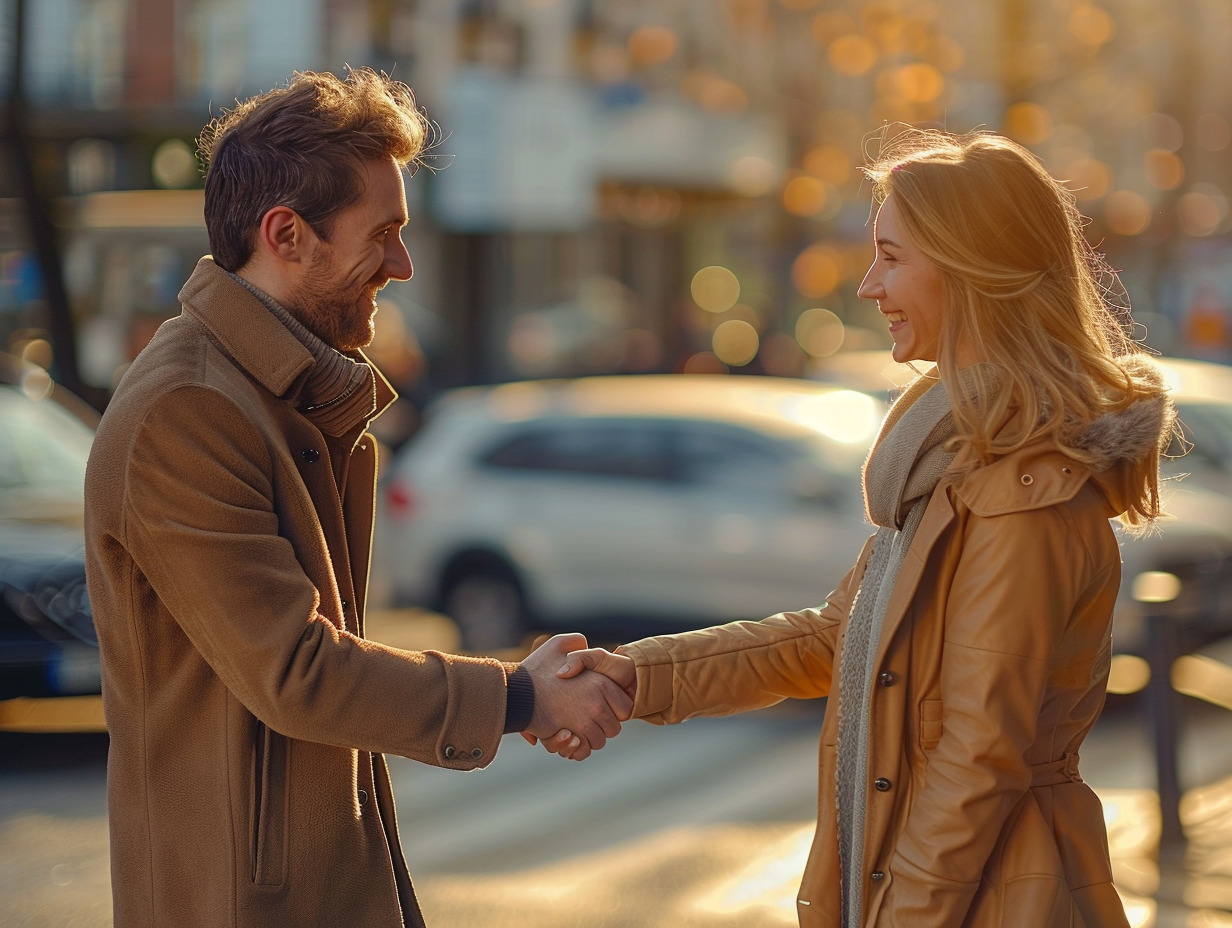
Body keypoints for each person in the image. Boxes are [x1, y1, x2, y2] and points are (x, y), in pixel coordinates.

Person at [550, 128, 1175, 927]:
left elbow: (981, 757)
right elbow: (835, 639)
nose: (868, 286)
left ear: (970, 269)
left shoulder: (1026, 486)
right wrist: (640, 677)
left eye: (891, 256)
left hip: (993, 897)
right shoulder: (952, 460)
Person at [83, 68, 628, 928]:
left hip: (304, 883)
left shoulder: (272, 394)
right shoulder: (188, 411)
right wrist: (519, 698)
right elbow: (297, 669)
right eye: (384, 234)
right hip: (235, 898)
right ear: (287, 235)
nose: (402, 265)